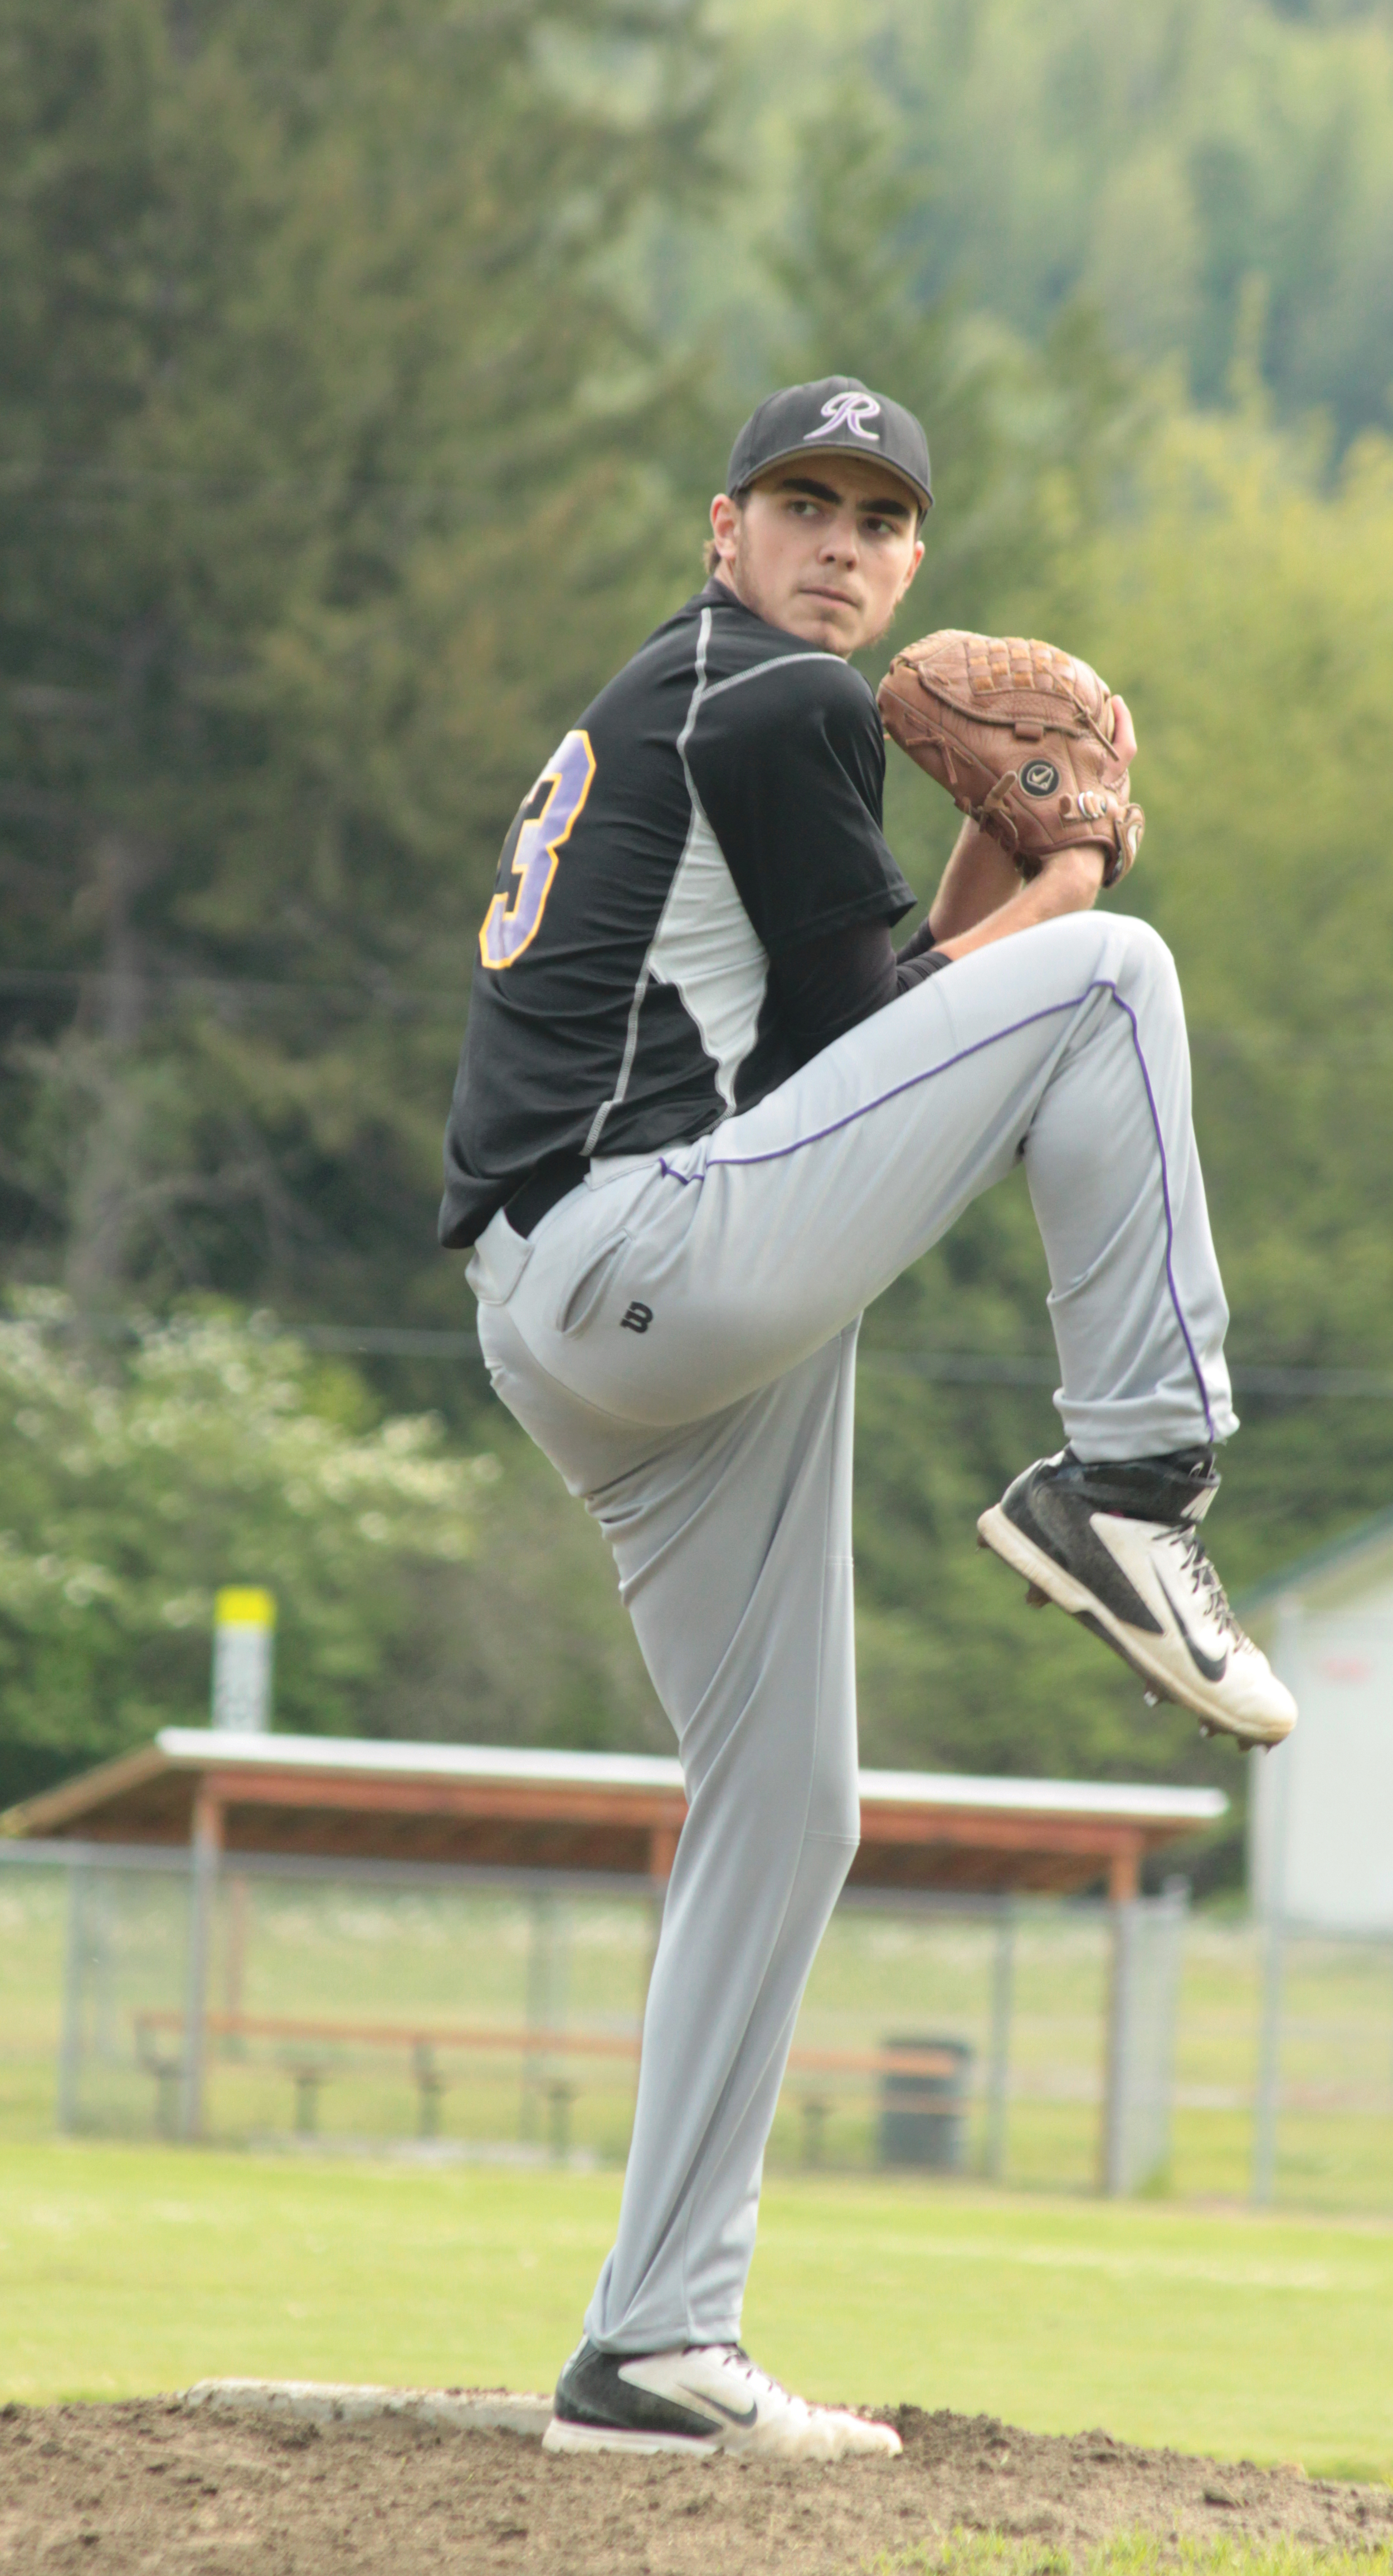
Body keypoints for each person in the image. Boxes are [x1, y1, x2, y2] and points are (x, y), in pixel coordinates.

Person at [440, 376, 1295, 2461]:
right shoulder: (774, 700)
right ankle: (1135, 1485)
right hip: (649, 1247)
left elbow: (870, 1047)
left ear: (913, 556)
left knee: (789, 1802)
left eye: (878, 517)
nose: (840, 541)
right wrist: (1073, 868)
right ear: (722, 525)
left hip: (608, 1304)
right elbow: (969, 1036)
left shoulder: (716, 698)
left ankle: (652, 2347)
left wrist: (1015, 874)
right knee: (1125, 983)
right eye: (801, 502)